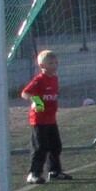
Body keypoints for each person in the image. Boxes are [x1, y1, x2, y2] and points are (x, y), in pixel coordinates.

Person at [21, 49, 71, 184]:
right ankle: (34, 173)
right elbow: (25, 93)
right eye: (51, 63)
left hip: (50, 119)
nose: (54, 65)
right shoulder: (39, 80)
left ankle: (54, 171)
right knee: (40, 147)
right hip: (39, 120)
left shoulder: (54, 79)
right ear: (42, 66)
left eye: (56, 62)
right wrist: (37, 101)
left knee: (55, 145)